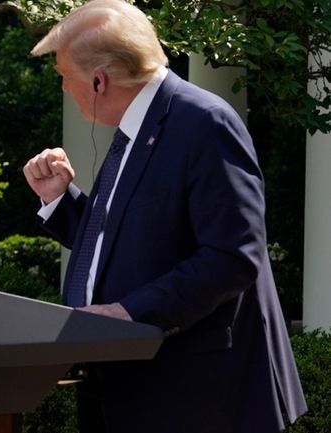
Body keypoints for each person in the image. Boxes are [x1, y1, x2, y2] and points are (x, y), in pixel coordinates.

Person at [22, 1, 307, 432]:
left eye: (64, 75)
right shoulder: (137, 128)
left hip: (197, 395)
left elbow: (233, 257)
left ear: (99, 80)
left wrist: (130, 312)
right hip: (131, 385)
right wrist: (60, 200)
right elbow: (129, 243)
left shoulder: (204, 122)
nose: (63, 87)